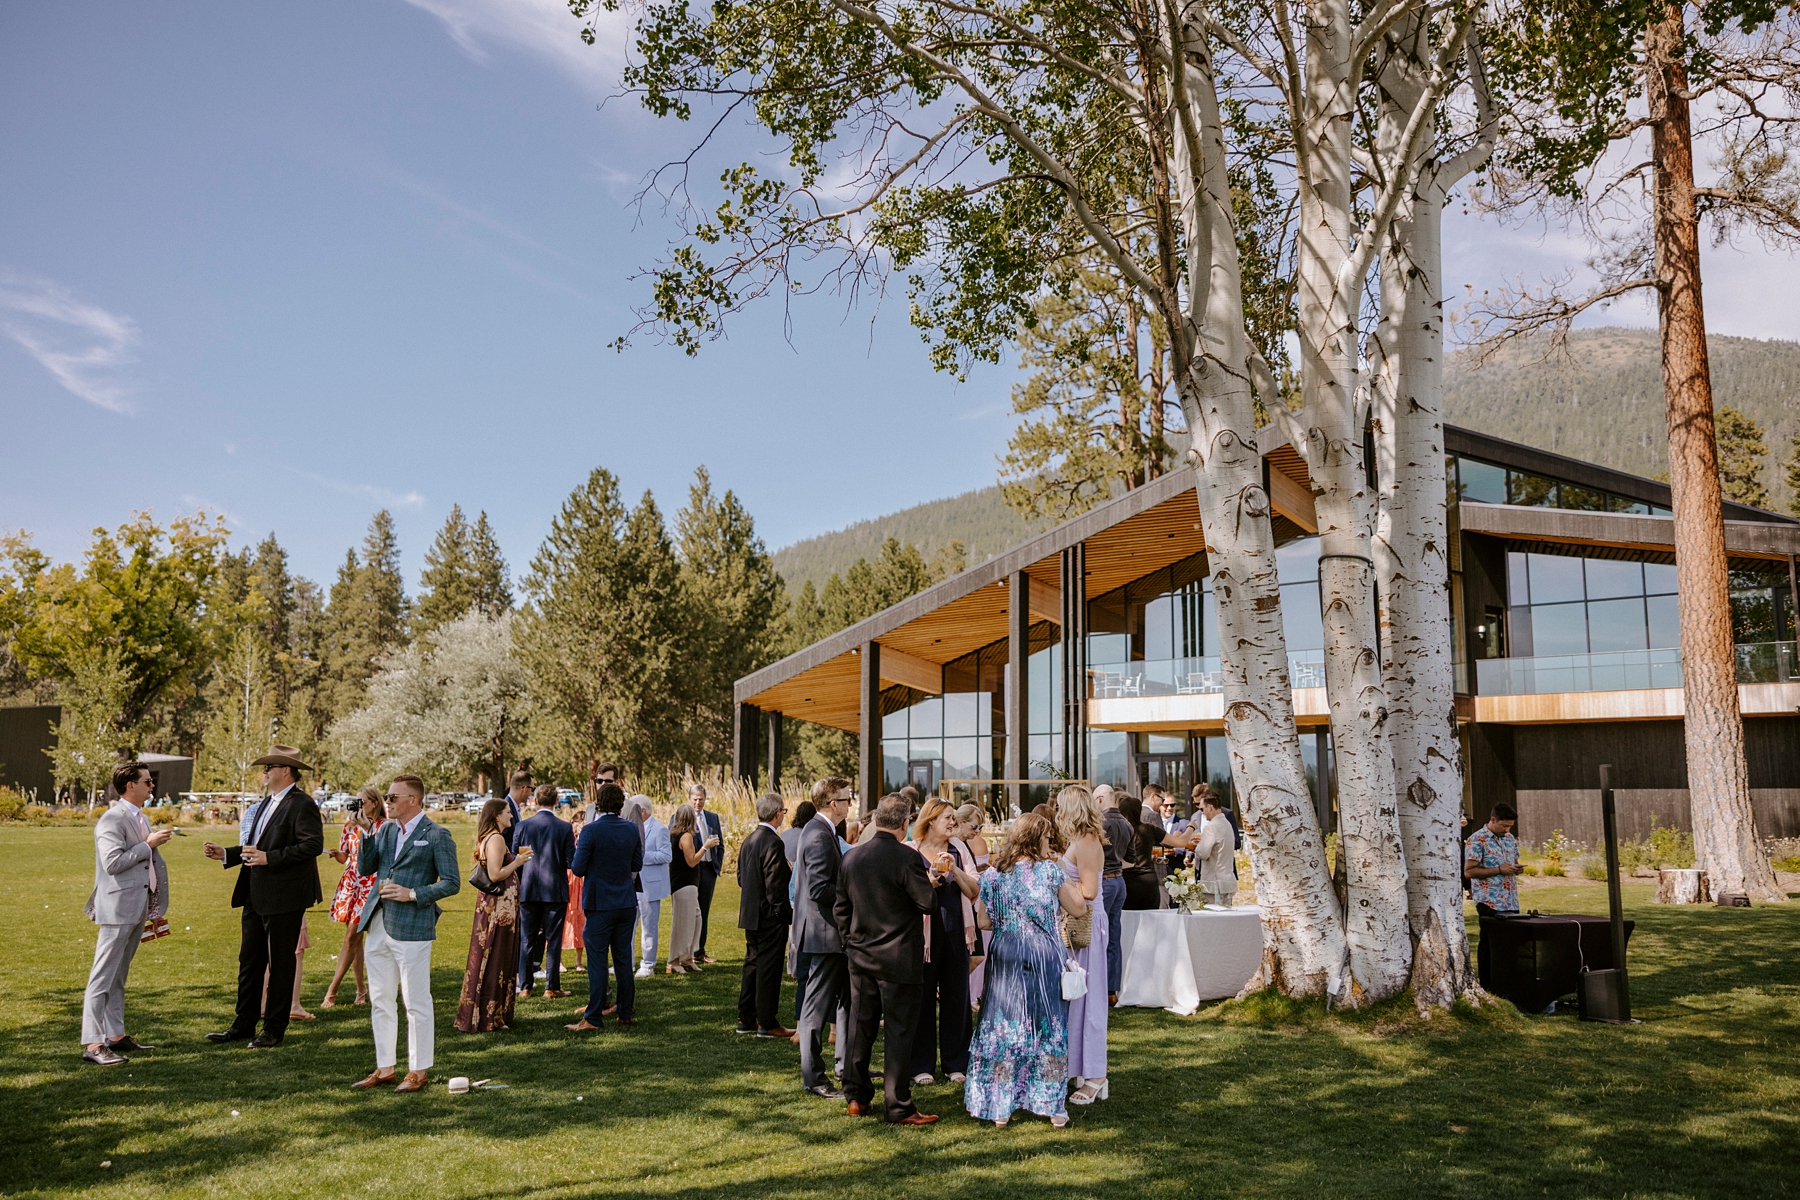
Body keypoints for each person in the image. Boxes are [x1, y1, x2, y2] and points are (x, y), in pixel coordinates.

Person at [963, 812, 1086, 1128]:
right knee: (1047, 1025)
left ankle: (1001, 1106)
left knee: (1003, 1025)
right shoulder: (1049, 872)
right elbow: (1078, 907)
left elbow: (983, 922)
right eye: (1047, 837)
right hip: (1043, 955)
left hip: (1006, 954)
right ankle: (1051, 1106)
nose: (1050, 843)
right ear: (1036, 840)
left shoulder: (992, 876)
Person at [203, 745, 325, 1050]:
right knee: (250, 961)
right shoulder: (265, 804)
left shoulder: (303, 804)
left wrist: (270, 859)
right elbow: (255, 846)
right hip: (255, 893)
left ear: (285, 771)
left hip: (285, 896)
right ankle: (243, 1024)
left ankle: (273, 1029)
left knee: (281, 963)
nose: (264, 772)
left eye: (268, 767)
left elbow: (312, 846)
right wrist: (226, 854)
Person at [350, 774, 462, 1092]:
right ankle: (385, 1068)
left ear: (413, 800)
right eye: (387, 796)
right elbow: (364, 867)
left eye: (393, 796)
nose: (388, 801)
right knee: (381, 999)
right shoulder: (384, 830)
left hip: (413, 926)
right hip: (378, 923)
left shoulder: (438, 834)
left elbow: (451, 883)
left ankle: (418, 1071)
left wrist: (412, 893)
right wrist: (367, 831)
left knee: (415, 1001)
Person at [835, 793, 941, 1125]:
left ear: (878, 818)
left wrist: (849, 943)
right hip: (898, 959)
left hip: (861, 955)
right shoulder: (905, 858)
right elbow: (927, 903)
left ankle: (856, 1096)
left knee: (860, 1026)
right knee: (898, 1031)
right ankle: (897, 1105)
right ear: (906, 823)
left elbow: (840, 907)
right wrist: (932, 882)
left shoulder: (853, 856)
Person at [81, 761, 172, 1066]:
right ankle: (93, 1044)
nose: (151, 786)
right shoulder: (112, 819)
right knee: (102, 976)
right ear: (130, 785)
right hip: (118, 909)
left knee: (119, 975)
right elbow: (112, 863)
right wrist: (148, 844)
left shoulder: (138, 816)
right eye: (147, 781)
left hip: (137, 906)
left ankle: (116, 1036)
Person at [908, 796, 980, 1086]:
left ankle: (955, 1063)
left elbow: (975, 889)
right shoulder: (911, 850)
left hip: (956, 931)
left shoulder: (960, 849)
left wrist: (955, 869)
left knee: (957, 997)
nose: (953, 822)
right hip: (922, 935)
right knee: (922, 998)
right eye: (948, 818)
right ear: (930, 821)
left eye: (953, 817)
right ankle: (921, 1064)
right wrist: (931, 878)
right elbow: (906, 891)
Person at [793, 777, 853, 1099]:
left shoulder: (823, 831)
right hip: (825, 932)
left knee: (845, 1002)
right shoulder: (818, 834)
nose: (849, 803)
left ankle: (846, 1067)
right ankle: (814, 1078)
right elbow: (818, 889)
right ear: (833, 803)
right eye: (846, 798)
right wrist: (854, 893)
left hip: (832, 932)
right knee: (816, 1009)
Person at [567, 782, 643, 1032]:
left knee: (598, 960)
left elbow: (577, 868)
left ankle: (593, 1017)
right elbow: (637, 864)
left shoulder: (591, 831)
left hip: (600, 902)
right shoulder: (631, 829)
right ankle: (625, 1011)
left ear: (598, 803)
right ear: (621, 804)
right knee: (623, 959)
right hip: (625, 901)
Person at [455, 799, 532, 1032]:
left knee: (496, 956)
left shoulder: (489, 836)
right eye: (508, 812)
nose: (511, 815)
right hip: (498, 909)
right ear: (497, 816)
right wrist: (518, 862)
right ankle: (489, 1015)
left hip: (498, 907)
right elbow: (496, 874)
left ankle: (493, 1013)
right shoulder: (496, 838)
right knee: (496, 955)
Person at [1056, 785, 1109, 1104]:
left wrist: (1056, 877)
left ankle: (1096, 1076)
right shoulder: (1079, 840)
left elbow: (1088, 891)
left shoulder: (1087, 841)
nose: (1059, 813)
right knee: (1074, 997)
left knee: (1089, 1000)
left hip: (1086, 923)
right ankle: (1077, 1067)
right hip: (1075, 924)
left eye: (1062, 807)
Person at [736, 792, 793, 1038]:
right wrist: (782, 913)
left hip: (750, 913)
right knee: (768, 969)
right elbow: (775, 886)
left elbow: (740, 878)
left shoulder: (748, 840)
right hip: (770, 915)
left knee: (752, 965)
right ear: (778, 813)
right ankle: (766, 1022)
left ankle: (746, 1018)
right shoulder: (773, 842)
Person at [323, 787, 385, 1007]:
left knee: (351, 938)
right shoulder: (349, 826)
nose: (358, 806)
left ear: (375, 803)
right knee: (355, 941)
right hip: (351, 883)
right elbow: (345, 857)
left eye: (362, 802)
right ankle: (361, 991)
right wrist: (336, 854)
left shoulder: (383, 827)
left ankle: (332, 990)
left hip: (369, 884)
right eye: (355, 802)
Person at [516, 783, 575, 998]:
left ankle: (525, 986)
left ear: (536, 801)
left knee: (527, 938)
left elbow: (519, 859)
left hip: (529, 888)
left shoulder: (523, 826)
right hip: (555, 889)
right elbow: (571, 861)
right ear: (556, 801)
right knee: (553, 938)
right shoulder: (563, 827)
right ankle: (551, 986)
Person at [1093, 785, 1134, 1002]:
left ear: (1099, 800)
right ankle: (1112, 990)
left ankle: (1097, 985)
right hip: (1119, 881)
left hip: (1105, 882)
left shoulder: (1100, 823)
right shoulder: (1127, 824)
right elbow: (1132, 860)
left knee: (1097, 933)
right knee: (1113, 936)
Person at [625, 796, 671, 980]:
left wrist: (640, 856)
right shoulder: (631, 828)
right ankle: (626, 962)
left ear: (642, 811)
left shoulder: (659, 829)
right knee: (628, 927)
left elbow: (667, 855)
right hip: (632, 885)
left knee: (649, 928)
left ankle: (648, 964)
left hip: (650, 887)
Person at [666, 803, 712, 974]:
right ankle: (674, 960)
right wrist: (706, 846)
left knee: (696, 919)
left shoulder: (675, 835)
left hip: (686, 883)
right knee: (682, 923)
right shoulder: (685, 836)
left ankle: (686, 957)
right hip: (684, 884)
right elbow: (692, 861)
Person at [689, 783, 725, 965]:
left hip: (709, 870)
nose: (698, 803)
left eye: (701, 799)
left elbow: (720, 844)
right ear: (689, 799)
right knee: (690, 912)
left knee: (704, 911)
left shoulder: (712, 817)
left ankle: (700, 951)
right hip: (692, 869)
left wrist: (717, 864)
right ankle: (688, 951)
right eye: (695, 799)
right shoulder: (683, 817)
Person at [1465, 802, 1522, 914]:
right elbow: (1469, 872)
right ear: (1493, 820)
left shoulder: (1509, 838)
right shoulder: (1477, 839)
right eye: (1504, 826)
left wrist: (1518, 869)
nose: (1507, 830)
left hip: (1511, 902)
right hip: (1489, 904)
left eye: (1510, 826)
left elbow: (1515, 862)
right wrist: (1499, 870)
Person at [1193, 789, 1238, 907]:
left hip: (1213, 884)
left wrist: (1195, 847)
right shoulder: (1227, 824)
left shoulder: (1211, 827)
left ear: (1210, 807)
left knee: (1211, 922)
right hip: (1227, 882)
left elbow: (1203, 853)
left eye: (1202, 809)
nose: (1202, 813)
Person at [1119, 796, 1165, 910]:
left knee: (1126, 922)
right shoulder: (1148, 829)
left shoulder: (1119, 831)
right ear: (1138, 812)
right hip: (1148, 883)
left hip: (1126, 882)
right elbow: (1180, 842)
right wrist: (1191, 827)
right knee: (1150, 921)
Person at [563, 809, 588, 974]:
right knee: (564, 917)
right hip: (568, 878)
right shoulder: (567, 838)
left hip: (583, 880)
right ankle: (558, 961)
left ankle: (579, 960)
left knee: (581, 917)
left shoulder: (586, 838)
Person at [501, 769, 533, 851]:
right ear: (525, 789)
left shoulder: (515, 807)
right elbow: (502, 841)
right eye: (532, 789)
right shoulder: (504, 809)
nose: (531, 793)